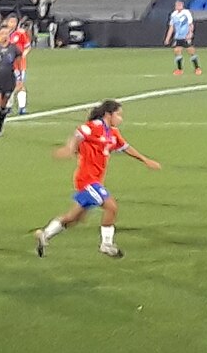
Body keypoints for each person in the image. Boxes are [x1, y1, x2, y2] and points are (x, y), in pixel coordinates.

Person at [34, 100, 162, 259]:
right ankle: (106, 244)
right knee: (111, 207)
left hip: (95, 181)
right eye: (118, 115)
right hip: (87, 180)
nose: (120, 119)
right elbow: (78, 133)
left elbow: (126, 148)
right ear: (108, 114)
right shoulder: (94, 126)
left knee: (74, 218)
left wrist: (145, 160)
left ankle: (44, 235)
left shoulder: (113, 133)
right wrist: (70, 148)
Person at [0, 14, 31, 114]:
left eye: (15, 22)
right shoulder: (4, 35)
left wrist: (24, 54)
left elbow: (28, 46)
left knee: (19, 84)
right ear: (7, 22)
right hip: (8, 65)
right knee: (8, 85)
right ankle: (8, 106)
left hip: (19, 65)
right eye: (11, 22)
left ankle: (22, 107)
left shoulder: (20, 33)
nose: (13, 24)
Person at [164, 0, 201, 76]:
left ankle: (197, 68)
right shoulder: (173, 14)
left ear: (182, 5)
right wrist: (167, 38)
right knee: (177, 51)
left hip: (186, 36)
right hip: (178, 37)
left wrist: (190, 33)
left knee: (191, 51)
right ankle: (179, 69)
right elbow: (171, 27)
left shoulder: (186, 13)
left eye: (179, 4)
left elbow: (191, 24)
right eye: (176, 5)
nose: (177, 6)